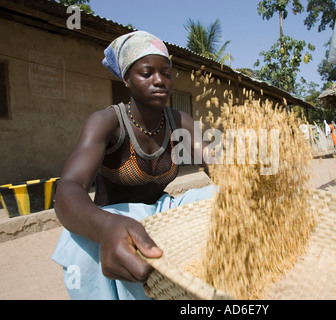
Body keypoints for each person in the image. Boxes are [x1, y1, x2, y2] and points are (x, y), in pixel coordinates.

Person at [51, 31, 214, 300]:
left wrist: (244, 176)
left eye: (166, 73)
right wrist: (104, 227)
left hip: (161, 213)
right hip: (114, 219)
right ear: (126, 78)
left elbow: (213, 159)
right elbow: (69, 187)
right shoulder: (107, 122)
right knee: (78, 243)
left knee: (221, 197)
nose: (159, 80)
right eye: (147, 73)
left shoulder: (179, 121)